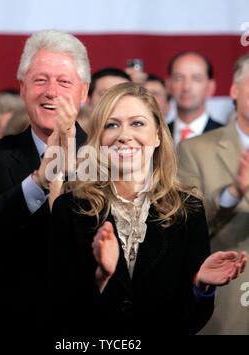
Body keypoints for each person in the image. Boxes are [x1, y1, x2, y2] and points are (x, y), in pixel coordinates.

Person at [50, 82, 246, 339]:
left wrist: (200, 286)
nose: (124, 135)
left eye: (137, 123)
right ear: (99, 139)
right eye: (112, 124)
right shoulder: (71, 208)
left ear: (157, 135)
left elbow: (189, 323)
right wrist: (101, 277)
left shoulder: (188, 209)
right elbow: (57, 310)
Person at [0, 29, 90, 335]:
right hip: (14, 327)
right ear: (23, 88)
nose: (50, 92)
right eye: (40, 80)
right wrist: (38, 182)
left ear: (84, 91)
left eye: (64, 82)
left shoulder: (109, 159)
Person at [176, 52, 249, 335]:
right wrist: (233, 192)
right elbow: (186, 227)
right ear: (234, 90)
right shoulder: (194, 150)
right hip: (229, 309)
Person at [166, 51, 222, 146]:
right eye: (179, 78)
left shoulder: (227, 138)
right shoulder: (157, 135)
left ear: (210, 87)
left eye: (196, 79)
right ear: (168, 85)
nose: (186, 87)